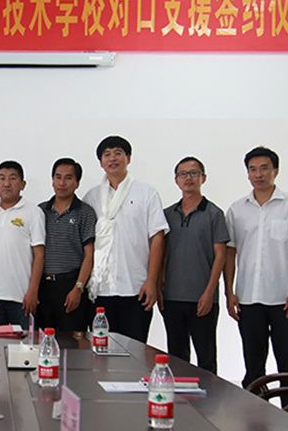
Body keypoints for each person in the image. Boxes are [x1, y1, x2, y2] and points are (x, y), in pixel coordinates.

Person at [224, 146, 288, 389]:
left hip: (284, 299)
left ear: (275, 171)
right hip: (248, 297)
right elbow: (230, 252)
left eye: (264, 168)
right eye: (252, 169)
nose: (258, 174)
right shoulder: (237, 209)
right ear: (247, 173)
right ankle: (254, 411)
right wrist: (229, 292)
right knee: (253, 366)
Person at [82, 136, 168, 343]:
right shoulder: (91, 197)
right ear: (101, 162)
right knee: (101, 351)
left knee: (135, 351)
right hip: (100, 289)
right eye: (107, 155)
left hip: (135, 287)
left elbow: (157, 238)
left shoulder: (146, 193)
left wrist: (152, 281)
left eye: (118, 153)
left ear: (128, 158)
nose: (112, 158)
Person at [160, 157, 229, 374]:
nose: (188, 178)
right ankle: (178, 396)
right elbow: (161, 255)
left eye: (193, 173)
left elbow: (221, 256)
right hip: (172, 297)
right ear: (176, 180)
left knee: (206, 358)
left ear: (203, 178)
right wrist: (159, 287)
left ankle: (209, 397)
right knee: (176, 358)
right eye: (183, 174)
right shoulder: (167, 215)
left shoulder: (214, 214)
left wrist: (209, 292)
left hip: (203, 298)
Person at [0, 161, 45, 328]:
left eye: (13, 178)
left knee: (24, 343)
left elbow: (39, 255)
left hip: (21, 297)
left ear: (23, 184)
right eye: (2, 178)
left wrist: (33, 291)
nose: (7, 183)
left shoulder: (34, 212)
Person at [37, 158, 96, 332]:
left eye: (68, 178)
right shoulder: (40, 211)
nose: (62, 183)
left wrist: (78, 288)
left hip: (70, 285)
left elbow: (89, 255)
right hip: (43, 286)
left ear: (77, 183)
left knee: (72, 342)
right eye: (58, 177)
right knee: (42, 340)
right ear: (52, 180)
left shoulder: (85, 212)